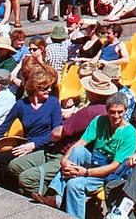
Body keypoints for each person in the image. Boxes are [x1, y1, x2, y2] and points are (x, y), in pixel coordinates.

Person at [7, 69, 114, 197]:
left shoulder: (89, 112)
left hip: (65, 155)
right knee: (15, 166)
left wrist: (57, 121)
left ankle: (50, 199)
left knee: (26, 178)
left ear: (92, 92)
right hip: (59, 151)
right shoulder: (105, 110)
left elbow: (57, 134)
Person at [32, 93, 136, 219]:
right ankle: (56, 196)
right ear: (107, 111)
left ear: (125, 111)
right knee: (78, 151)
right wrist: (65, 160)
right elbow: (81, 143)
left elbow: (114, 166)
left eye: (120, 112)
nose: (116, 116)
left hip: (110, 173)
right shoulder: (99, 121)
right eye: (112, 112)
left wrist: (85, 172)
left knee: (74, 184)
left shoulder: (129, 133)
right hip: (95, 159)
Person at [0, 69, 61, 188]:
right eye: (45, 87)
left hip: (46, 145)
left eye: (50, 87)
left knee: (8, 162)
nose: (49, 90)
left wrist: (34, 144)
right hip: (27, 144)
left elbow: (57, 132)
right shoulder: (21, 105)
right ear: (35, 88)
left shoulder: (53, 103)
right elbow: (2, 129)